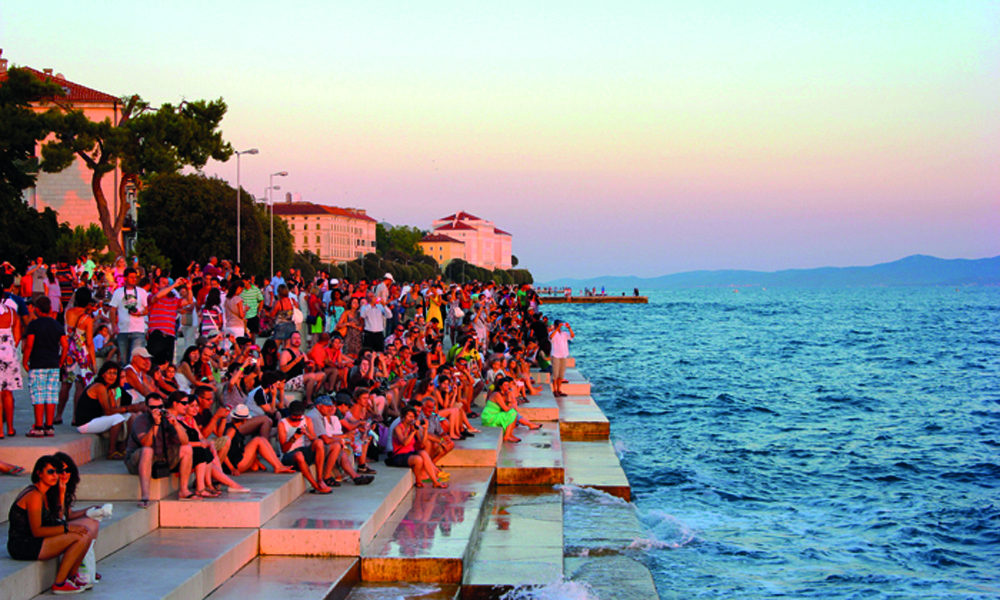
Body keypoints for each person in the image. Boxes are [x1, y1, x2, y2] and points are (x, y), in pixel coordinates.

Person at [6, 455, 94, 594]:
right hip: (23, 544)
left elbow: (58, 519)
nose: (55, 475)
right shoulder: (34, 495)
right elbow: (37, 531)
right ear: (39, 473)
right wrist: (68, 528)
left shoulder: (47, 492)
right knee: (79, 537)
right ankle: (59, 583)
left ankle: (72, 577)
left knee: (86, 532)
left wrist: (61, 493)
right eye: (50, 472)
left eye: (57, 472)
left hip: (35, 540)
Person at [123, 393, 198, 508]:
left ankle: (183, 490)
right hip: (137, 459)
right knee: (147, 450)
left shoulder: (166, 418)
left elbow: (185, 441)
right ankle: (145, 496)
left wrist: (176, 425)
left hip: (160, 455)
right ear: (147, 408)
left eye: (160, 407)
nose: (157, 410)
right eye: (153, 407)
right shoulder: (141, 420)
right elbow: (146, 443)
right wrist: (155, 424)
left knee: (186, 448)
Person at [49, 452, 102, 586]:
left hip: (62, 524)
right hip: (53, 528)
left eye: (68, 470)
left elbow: (68, 515)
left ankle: (88, 566)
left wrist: (89, 510)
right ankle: (77, 570)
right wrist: (61, 494)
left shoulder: (65, 486)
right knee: (86, 528)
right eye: (61, 471)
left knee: (93, 522)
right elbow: (58, 519)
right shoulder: (51, 489)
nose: (65, 474)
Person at [74, 361, 144, 458]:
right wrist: (129, 408)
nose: (112, 376)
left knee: (129, 416)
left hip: (95, 420)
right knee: (118, 418)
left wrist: (129, 409)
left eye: (115, 373)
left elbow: (114, 408)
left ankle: (124, 447)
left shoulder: (108, 388)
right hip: (85, 424)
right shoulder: (99, 387)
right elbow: (108, 411)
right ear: (103, 374)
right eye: (109, 373)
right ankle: (111, 451)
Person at [23, 296, 69, 438]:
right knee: (51, 395)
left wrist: (25, 361)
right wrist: (61, 361)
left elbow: (29, 344)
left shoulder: (33, 325)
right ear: (50, 309)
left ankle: (38, 426)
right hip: (53, 364)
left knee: (38, 395)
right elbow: (65, 345)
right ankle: (49, 426)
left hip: (37, 363)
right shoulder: (57, 325)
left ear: (37, 309)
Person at [306, 395, 373, 486]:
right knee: (337, 446)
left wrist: (341, 439)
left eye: (331, 406)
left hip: (318, 445)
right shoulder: (315, 416)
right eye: (327, 406)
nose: (330, 409)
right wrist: (341, 440)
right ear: (319, 406)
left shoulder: (320, 415)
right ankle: (327, 477)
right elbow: (325, 439)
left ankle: (355, 477)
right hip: (310, 448)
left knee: (342, 453)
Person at [56, 287, 97, 426]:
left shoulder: (68, 312)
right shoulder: (87, 319)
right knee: (79, 386)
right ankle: (75, 416)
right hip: (81, 353)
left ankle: (58, 415)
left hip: (68, 351)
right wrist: (93, 362)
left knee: (65, 385)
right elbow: (89, 342)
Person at [220, 404, 294, 476]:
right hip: (235, 464)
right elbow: (223, 449)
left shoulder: (236, 428)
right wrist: (232, 468)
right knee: (258, 440)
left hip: (238, 459)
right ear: (245, 420)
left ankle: (279, 465)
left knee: (262, 439)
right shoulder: (231, 430)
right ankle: (278, 467)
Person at [278, 401, 332, 494]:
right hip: (289, 455)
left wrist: (307, 433)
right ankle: (315, 485)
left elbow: (315, 439)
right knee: (299, 455)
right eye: (294, 418)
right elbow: (284, 449)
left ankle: (320, 479)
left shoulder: (307, 420)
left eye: (299, 418)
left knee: (319, 442)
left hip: (302, 449)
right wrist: (293, 438)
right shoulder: (282, 424)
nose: (297, 420)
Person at [386, 406, 447, 488]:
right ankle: (418, 481)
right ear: (403, 417)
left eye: (413, 417)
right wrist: (414, 430)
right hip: (398, 456)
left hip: (409, 453)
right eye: (410, 417)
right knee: (418, 459)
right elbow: (405, 443)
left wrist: (425, 430)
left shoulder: (412, 427)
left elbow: (423, 443)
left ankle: (435, 482)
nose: (412, 419)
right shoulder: (398, 428)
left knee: (423, 453)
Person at [108, 267, 150, 361]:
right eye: (131, 277)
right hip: (123, 330)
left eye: (135, 277)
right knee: (124, 360)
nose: (134, 279)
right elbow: (112, 310)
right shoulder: (118, 292)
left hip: (138, 330)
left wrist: (139, 313)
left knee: (135, 359)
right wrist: (113, 325)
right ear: (125, 278)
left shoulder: (142, 292)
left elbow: (148, 309)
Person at [1, 277, 24, 438]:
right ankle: (10, 427)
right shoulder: (11, 312)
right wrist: (9, 348)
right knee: (8, 393)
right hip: (9, 353)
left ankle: (0, 431)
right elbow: (17, 335)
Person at [549, 320, 575, 397]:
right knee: (555, 374)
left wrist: (569, 328)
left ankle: (559, 390)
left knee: (561, 375)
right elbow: (551, 337)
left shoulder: (564, 334)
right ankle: (554, 390)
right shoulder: (552, 333)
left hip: (563, 355)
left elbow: (572, 336)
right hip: (555, 355)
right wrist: (557, 329)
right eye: (557, 325)